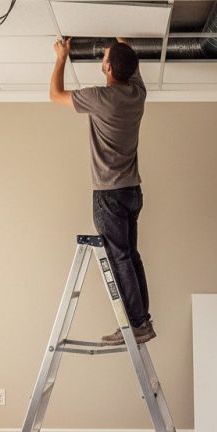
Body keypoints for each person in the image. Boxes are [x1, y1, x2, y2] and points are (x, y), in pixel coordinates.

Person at [49, 36, 155, 345]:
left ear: (107, 68)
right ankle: (141, 322)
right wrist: (121, 46)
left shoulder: (100, 97)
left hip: (109, 194)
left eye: (105, 57)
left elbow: (55, 94)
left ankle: (137, 325)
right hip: (131, 192)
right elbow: (128, 64)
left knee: (120, 258)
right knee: (130, 257)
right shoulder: (137, 94)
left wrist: (61, 56)